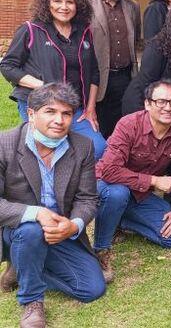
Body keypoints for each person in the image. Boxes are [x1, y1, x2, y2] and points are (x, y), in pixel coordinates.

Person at [0, 83, 105, 328]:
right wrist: (36, 213)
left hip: (59, 233)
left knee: (92, 288)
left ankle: (23, 264)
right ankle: (32, 301)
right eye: (50, 111)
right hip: (17, 229)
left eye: (66, 113)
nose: (59, 120)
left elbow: (88, 198)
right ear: (31, 113)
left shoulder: (82, 146)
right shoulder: (4, 145)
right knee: (31, 230)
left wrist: (74, 225)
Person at [92, 80, 171, 281]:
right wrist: (154, 181)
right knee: (118, 193)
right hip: (108, 186)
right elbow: (108, 170)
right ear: (147, 104)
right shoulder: (128, 124)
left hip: (139, 194)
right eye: (161, 101)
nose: (168, 107)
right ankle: (100, 251)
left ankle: (119, 220)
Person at [0, 0, 107, 159]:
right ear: (47, 3)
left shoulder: (84, 31)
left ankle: (79, 183)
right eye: (57, 1)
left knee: (97, 148)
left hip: (75, 107)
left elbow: (94, 73)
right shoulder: (31, 29)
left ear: (77, 5)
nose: (63, 7)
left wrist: (90, 108)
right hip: (40, 104)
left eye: (69, 2)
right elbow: (8, 66)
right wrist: (45, 86)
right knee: (52, 152)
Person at [87, 0, 142, 138]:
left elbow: (136, 42)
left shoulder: (132, 6)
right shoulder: (82, 4)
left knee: (125, 128)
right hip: (95, 79)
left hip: (126, 77)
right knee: (98, 130)